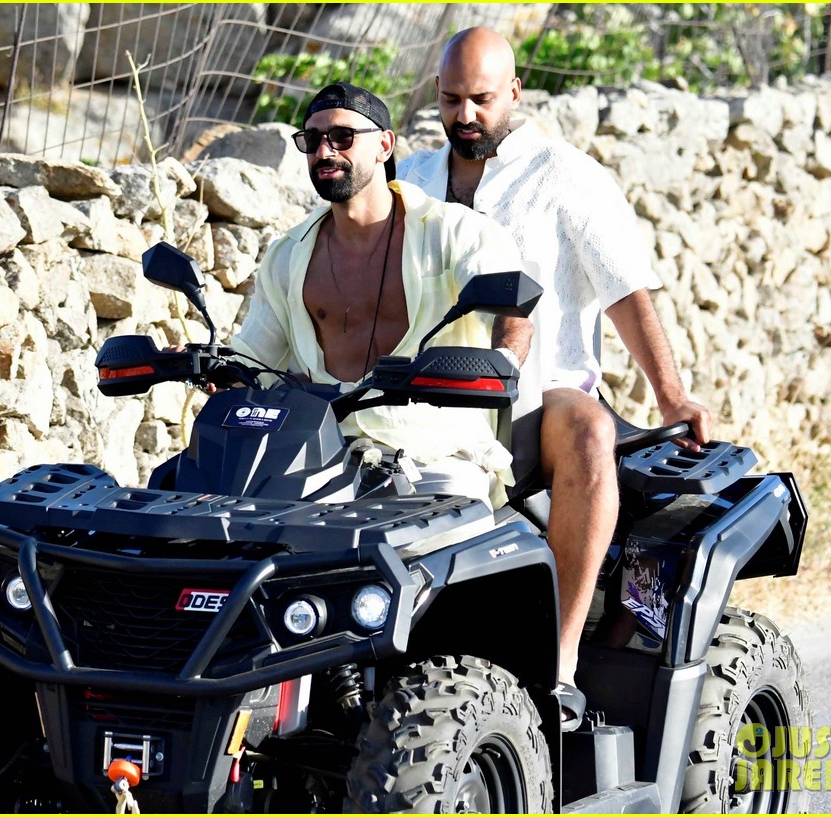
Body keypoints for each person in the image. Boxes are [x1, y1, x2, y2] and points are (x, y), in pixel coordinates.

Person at [398, 26, 713, 726]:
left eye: (481, 98)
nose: (465, 115)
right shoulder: (412, 179)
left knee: (590, 428)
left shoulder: (565, 176)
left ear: (514, 91)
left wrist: (671, 394)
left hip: (536, 408)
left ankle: (559, 663)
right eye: (451, 100)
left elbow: (627, 291)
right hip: (425, 406)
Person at [231, 81, 528, 510]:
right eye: (312, 141)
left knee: (441, 553)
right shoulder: (288, 254)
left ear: (384, 145)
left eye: (342, 137)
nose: (325, 152)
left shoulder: (454, 232)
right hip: (316, 451)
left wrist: (503, 364)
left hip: (433, 454)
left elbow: (510, 313)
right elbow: (254, 358)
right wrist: (205, 364)